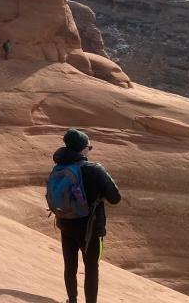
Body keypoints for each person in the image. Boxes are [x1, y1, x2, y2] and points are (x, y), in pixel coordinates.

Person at [50, 129, 121, 303]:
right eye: (89, 147)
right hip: (91, 229)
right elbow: (115, 198)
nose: (89, 150)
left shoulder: (60, 167)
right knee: (91, 268)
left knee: (70, 266)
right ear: (83, 149)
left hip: (65, 224)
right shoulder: (94, 169)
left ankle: (72, 300)